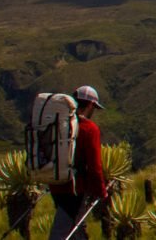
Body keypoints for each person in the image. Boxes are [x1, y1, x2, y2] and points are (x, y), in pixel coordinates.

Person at [48, 85, 108, 240]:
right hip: (75, 188)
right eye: (94, 107)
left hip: (55, 182)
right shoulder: (89, 129)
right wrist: (101, 191)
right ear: (90, 105)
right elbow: (95, 166)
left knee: (75, 227)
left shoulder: (60, 123)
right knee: (62, 232)